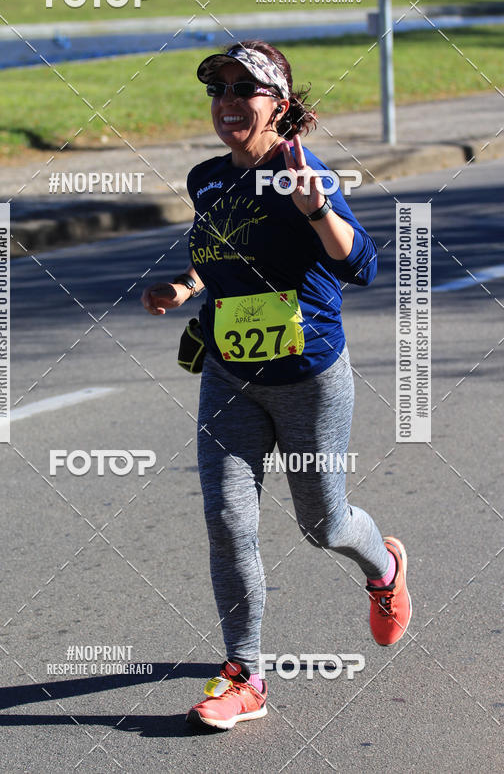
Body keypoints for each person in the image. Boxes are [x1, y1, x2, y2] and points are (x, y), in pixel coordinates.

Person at [140, 40, 411, 731]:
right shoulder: (207, 178)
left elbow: (363, 267)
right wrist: (186, 286)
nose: (228, 102)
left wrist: (318, 210)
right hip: (229, 376)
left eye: (245, 90)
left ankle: (384, 568)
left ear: (280, 106)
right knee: (228, 522)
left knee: (323, 525)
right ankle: (245, 676)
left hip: (308, 378)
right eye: (218, 90)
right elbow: (221, 251)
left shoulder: (302, 174)